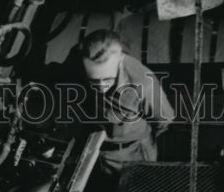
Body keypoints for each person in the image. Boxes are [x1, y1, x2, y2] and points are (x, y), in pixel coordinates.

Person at [66, 28, 175, 175]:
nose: (101, 88)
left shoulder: (144, 83)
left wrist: (139, 140)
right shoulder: (76, 61)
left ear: (120, 59)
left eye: (108, 79)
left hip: (133, 154)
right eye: (93, 80)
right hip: (92, 150)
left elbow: (163, 121)